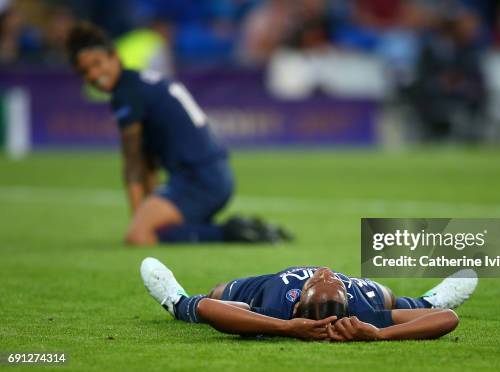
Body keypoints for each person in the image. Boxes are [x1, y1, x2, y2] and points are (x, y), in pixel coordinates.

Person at [65, 22, 289, 246]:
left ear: (114, 56)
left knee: (139, 236)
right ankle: (240, 230)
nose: (94, 74)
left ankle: (231, 232)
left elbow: (133, 162)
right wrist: (150, 208)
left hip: (197, 180)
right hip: (214, 175)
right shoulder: (143, 80)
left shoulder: (126, 94)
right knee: (161, 230)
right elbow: (147, 160)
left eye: (97, 64)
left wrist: (138, 219)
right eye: (85, 71)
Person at [140, 257, 478, 341]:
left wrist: (283, 327)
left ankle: (175, 299)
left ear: (299, 303)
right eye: (326, 279)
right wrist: (378, 331)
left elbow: (208, 308)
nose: (325, 271)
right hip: (364, 295)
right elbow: (448, 318)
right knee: (386, 298)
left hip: (263, 286)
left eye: (323, 280)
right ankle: (426, 300)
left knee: (215, 293)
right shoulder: (361, 312)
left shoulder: (274, 307)